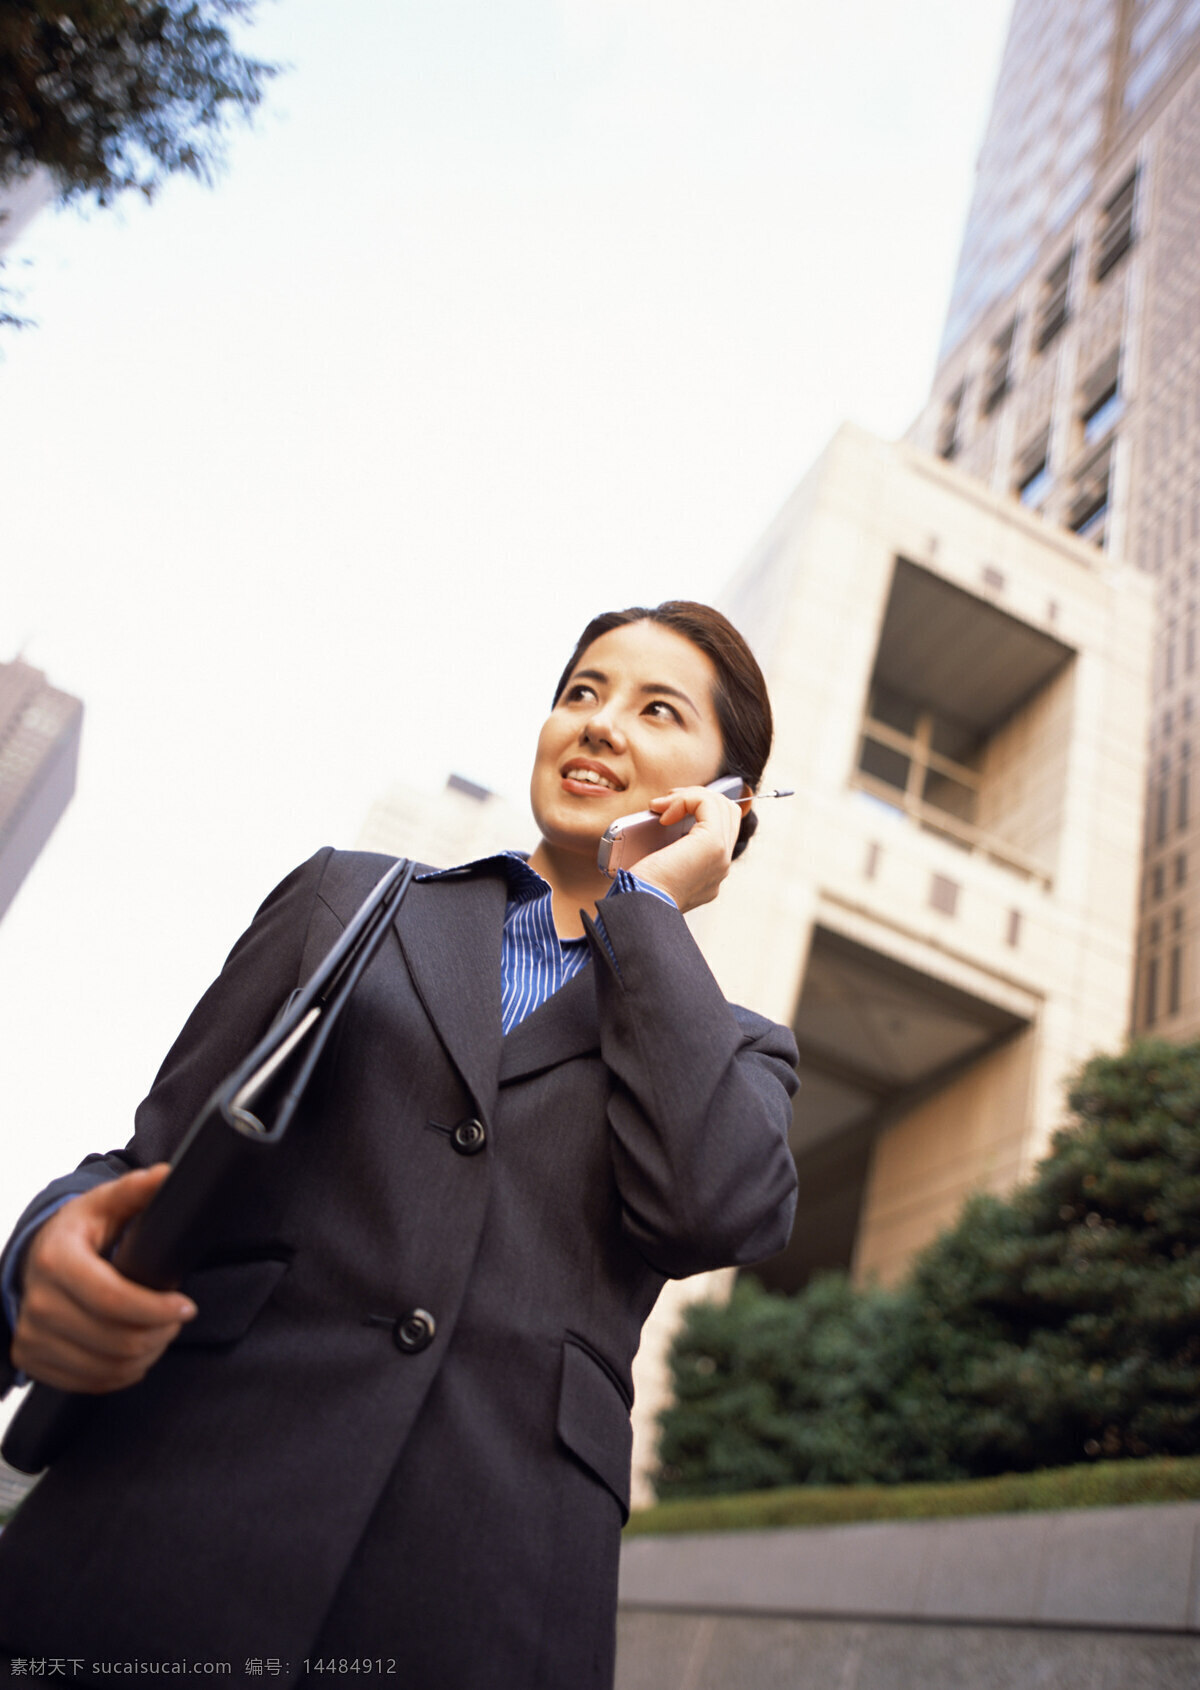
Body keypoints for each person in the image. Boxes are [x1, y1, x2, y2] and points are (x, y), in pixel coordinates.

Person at [0, 601, 799, 1686]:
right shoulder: (349, 899)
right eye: (582, 692)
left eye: (657, 709)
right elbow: (145, 1161)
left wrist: (643, 907)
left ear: (725, 802)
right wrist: (43, 1249)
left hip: (490, 1593)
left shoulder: (738, 1053)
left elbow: (717, 1213)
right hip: (170, 1515)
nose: (600, 724)